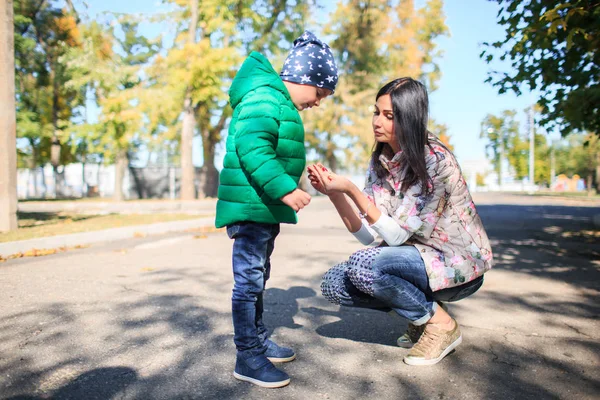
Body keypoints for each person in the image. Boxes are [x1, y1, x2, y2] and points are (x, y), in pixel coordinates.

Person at [307, 77, 493, 366]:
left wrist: (352, 190)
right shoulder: (380, 161)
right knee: (335, 283)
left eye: (389, 116)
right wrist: (335, 194)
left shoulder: (436, 161)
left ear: (410, 119)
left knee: (364, 264)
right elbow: (371, 236)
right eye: (376, 111)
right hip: (414, 261)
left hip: (456, 265)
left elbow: (393, 238)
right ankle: (424, 314)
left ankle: (440, 325)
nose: (377, 121)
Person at [215, 31, 338, 388]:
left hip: (261, 209)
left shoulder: (277, 101)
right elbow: (253, 147)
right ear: (302, 78)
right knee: (248, 283)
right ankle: (247, 356)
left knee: (258, 278)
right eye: (319, 94)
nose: (317, 103)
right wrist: (286, 189)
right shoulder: (266, 98)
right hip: (253, 209)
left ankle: (257, 340)